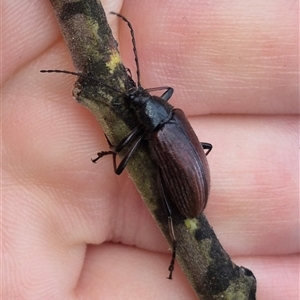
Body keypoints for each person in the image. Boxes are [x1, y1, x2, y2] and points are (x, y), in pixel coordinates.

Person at [2, 0, 299, 299]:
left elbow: (122, 164)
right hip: (192, 171)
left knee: (164, 202)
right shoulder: (170, 112)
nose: (136, 97)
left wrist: (115, 152)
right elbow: (165, 110)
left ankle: (175, 249)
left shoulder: (159, 131)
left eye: (140, 98)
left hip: (188, 188)